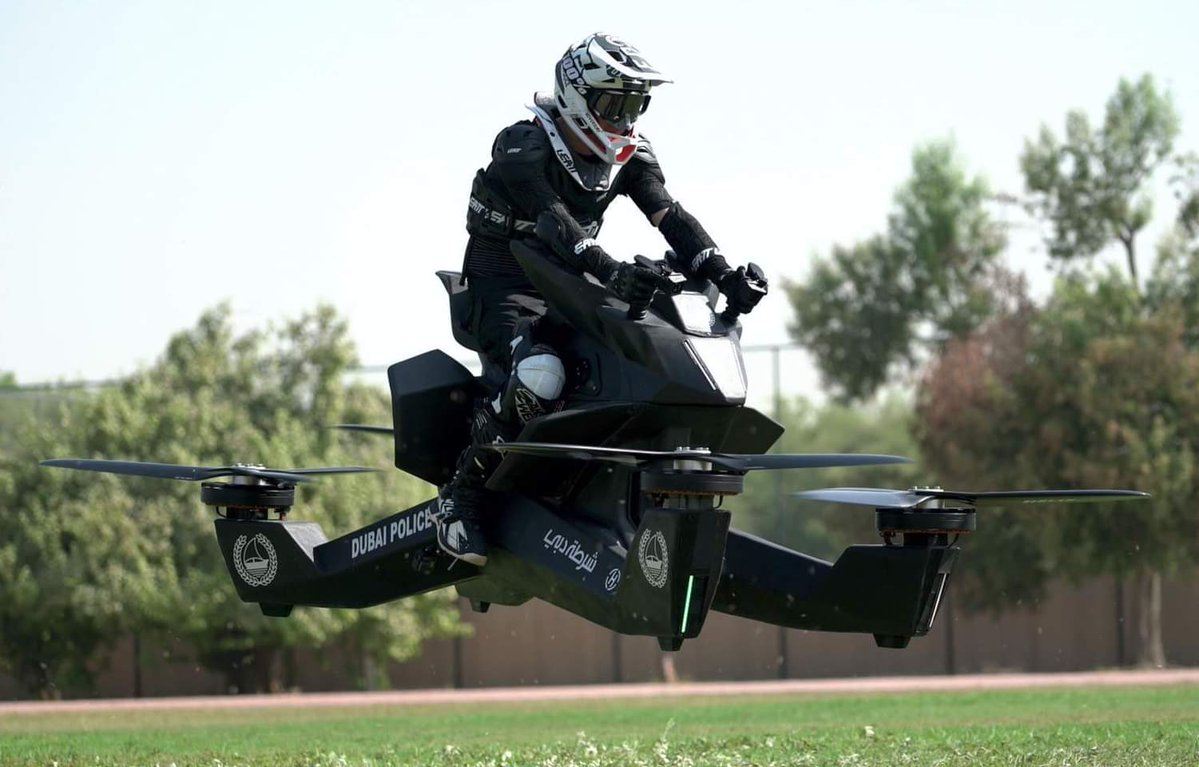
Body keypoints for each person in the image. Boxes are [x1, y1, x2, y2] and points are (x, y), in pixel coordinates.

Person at [434, 32, 768, 566]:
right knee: (542, 374)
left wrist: (725, 273)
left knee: (633, 363)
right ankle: (460, 498)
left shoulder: (632, 154)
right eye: (614, 104)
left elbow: (670, 216)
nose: (624, 119)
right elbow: (556, 224)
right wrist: (612, 274)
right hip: (505, 283)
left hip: (571, 279)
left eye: (635, 104)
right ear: (576, 96)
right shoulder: (523, 146)